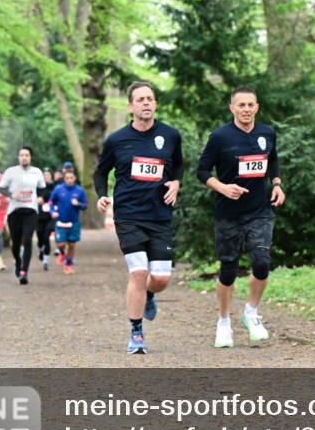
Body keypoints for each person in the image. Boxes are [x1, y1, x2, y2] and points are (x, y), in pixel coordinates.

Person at [94, 81, 183, 355]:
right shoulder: (117, 140)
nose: (146, 103)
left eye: (150, 99)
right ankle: (136, 332)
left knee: (161, 278)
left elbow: (178, 164)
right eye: (140, 99)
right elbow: (100, 172)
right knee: (138, 271)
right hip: (129, 215)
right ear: (131, 106)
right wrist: (101, 194)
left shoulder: (170, 135)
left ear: (155, 104)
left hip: (160, 216)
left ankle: (150, 294)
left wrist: (176, 183)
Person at [196, 87, 285, 349]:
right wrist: (222, 187)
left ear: (257, 107)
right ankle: (223, 322)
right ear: (232, 108)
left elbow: (273, 159)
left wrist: (277, 184)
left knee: (261, 263)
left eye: (250, 105)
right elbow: (201, 171)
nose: (246, 109)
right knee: (228, 271)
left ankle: (251, 312)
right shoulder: (220, 137)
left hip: (259, 211)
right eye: (240, 105)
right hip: (228, 215)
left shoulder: (267, 133)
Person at [0, 147, 46, 285]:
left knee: (27, 239)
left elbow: (42, 189)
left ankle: (24, 272)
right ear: (18, 157)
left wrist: (41, 198)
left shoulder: (36, 172)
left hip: (31, 210)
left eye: (27, 155)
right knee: (16, 243)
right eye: (22, 155)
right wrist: (12, 195)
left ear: (30, 157)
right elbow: (1, 188)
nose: (24, 157)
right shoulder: (11, 172)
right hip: (14, 211)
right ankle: (18, 262)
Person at [49, 168, 88, 274]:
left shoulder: (79, 191)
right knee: (61, 244)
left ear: (74, 178)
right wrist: (52, 212)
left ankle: (68, 265)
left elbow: (85, 206)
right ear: (64, 179)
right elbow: (51, 202)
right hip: (61, 222)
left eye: (71, 178)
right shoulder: (58, 189)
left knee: (72, 245)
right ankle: (62, 253)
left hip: (74, 222)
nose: (69, 180)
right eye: (67, 178)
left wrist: (78, 204)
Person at [36, 169, 55, 270]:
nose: (46, 176)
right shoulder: (37, 188)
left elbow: (54, 197)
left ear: (51, 176)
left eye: (48, 175)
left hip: (50, 216)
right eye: (44, 175)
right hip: (39, 216)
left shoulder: (54, 187)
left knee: (46, 236)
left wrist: (44, 199)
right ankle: (41, 248)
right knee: (40, 236)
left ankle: (46, 261)